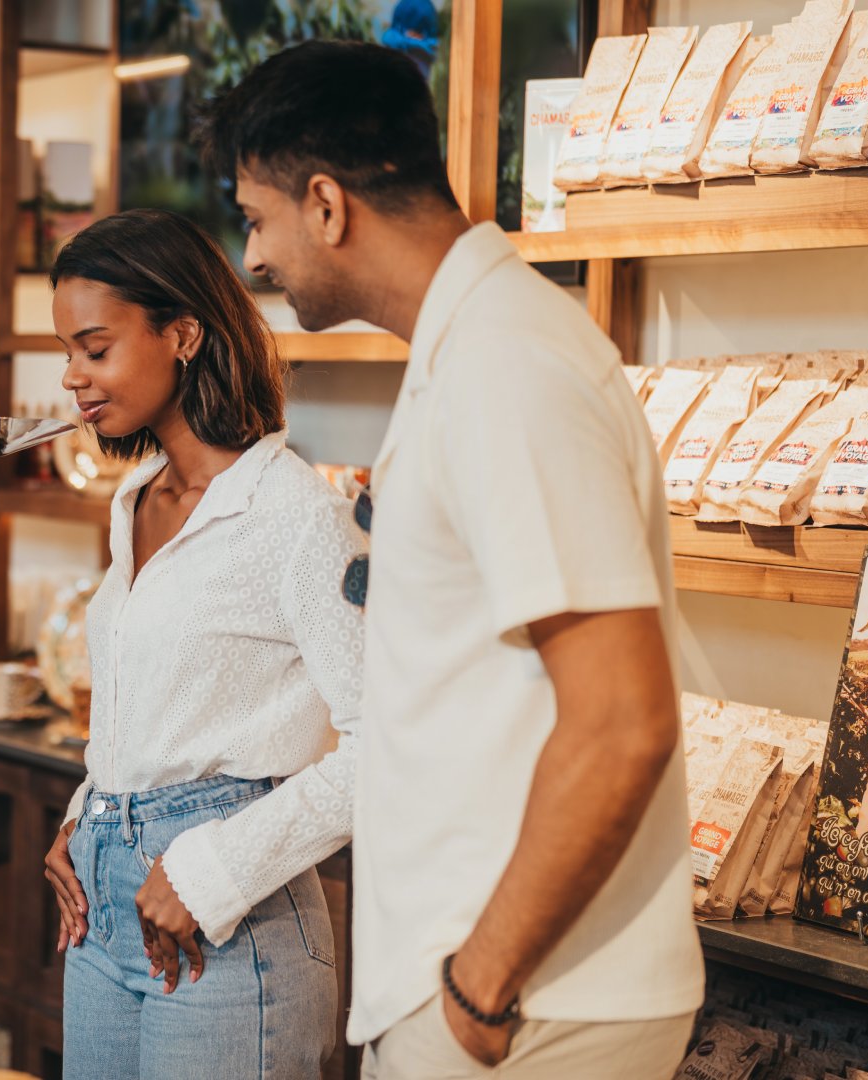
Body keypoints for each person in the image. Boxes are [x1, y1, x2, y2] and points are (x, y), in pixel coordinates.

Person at [199, 40, 705, 1078]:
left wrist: (479, 980)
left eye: (258, 219)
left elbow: (622, 720)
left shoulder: (505, 364)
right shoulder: (471, 350)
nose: (252, 260)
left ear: (328, 205)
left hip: (529, 1000)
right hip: (499, 984)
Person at [39, 208, 367, 1079]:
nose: (72, 376)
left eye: (94, 347)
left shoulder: (294, 516)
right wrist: (87, 811)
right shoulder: (135, 499)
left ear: (182, 333)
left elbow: (393, 745)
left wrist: (214, 871)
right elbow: (156, 700)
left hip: (236, 921)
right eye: (67, 350)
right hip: (105, 910)